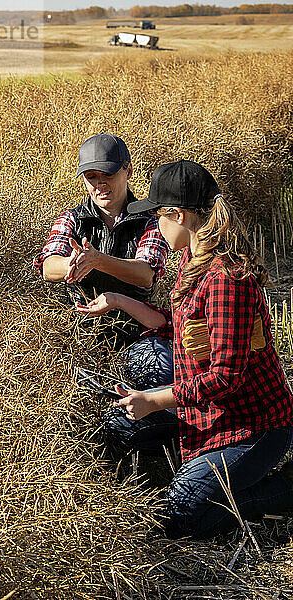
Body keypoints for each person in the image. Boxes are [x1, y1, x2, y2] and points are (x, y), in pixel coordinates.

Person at [102, 159, 293, 539]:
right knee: (119, 426)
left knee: (179, 517)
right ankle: (195, 469)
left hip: (251, 424)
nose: (155, 225)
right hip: (209, 410)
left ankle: (283, 489)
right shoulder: (194, 258)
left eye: (158, 216)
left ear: (179, 215)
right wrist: (118, 299)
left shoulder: (226, 280)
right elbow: (181, 327)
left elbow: (225, 379)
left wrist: (155, 401)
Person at [34, 133, 169, 308]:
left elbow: (145, 274)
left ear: (128, 171)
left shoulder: (151, 220)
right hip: (79, 323)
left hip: (137, 325)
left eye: (108, 174)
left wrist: (98, 260)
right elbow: (48, 268)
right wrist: (75, 262)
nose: (100, 184)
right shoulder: (71, 219)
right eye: (91, 177)